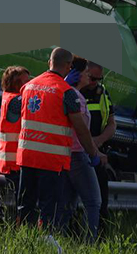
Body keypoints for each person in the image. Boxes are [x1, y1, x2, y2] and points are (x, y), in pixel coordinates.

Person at [16, 47, 102, 231]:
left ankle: (22, 243)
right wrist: (93, 153)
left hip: (27, 156)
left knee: (25, 205)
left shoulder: (28, 86)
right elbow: (80, 128)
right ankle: (46, 246)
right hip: (50, 159)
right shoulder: (66, 93)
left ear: (49, 62)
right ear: (69, 66)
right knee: (49, 207)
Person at [56, 64, 104, 241]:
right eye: (85, 73)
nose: (88, 76)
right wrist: (93, 154)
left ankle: (57, 242)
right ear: (76, 75)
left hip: (65, 154)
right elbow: (81, 131)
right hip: (78, 154)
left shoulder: (64, 93)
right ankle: (89, 244)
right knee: (93, 202)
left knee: (66, 204)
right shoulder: (76, 97)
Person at [82, 61, 116, 235]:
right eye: (92, 78)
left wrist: (99, 140)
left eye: (99, 79)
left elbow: (111, 124)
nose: (95, 82)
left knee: (101, 200)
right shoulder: (73, 91)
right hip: (78, 153)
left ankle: (100, 237)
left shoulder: (103, 93)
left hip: (98, 153)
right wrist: (90, 144)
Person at [0, 65, 31, 194]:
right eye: (26, 82)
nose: (30, 85)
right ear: (16, 83)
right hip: (15, 163)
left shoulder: (8, 97)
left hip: (11, 161)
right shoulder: (17, 100)